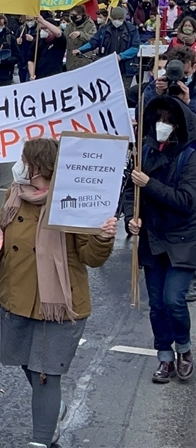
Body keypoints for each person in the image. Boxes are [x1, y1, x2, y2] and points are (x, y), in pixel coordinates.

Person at [0, 138, 117, 448]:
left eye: (23, 160)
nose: (19, 165)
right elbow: (0, 238)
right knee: (28, 364)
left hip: (60, 305)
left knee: (45, 375)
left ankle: (40, 440)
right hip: (16, 297)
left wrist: (103, 237)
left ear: (37, 166)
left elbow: (91, 257)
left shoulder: (72, 200)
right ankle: (54, 408)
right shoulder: (14, 194)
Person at [124, 96, 196, 384]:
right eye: (159, 120)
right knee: (157, 305)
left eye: (168, 121)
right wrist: (132, 218)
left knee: (174, 300)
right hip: (152, 239)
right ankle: (164, 358)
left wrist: (149, 184)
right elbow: (130, 191)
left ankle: (185, 349)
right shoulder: (144, 152)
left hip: (181, 241)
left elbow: (186, 200)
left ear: (178, 125)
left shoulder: (189, 158)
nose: (161, 126)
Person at [76, 6, 140, 95]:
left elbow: (135, 48)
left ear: (123, 18)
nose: (117, 21)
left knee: (123, 93)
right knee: (107, 93)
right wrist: (80, 50)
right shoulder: (104, 29)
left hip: (126, 68)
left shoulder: (132, 29)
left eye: (120, 19)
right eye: (115, 18)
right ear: (111, 18)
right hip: (108, 67)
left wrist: (120, 56)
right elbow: (93, 42)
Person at [27, 14, 66, 79]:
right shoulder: (37, 42)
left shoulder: (59, 41)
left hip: (54, 76)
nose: (43, 31)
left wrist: (43, 21)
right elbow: (31, 60)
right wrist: (32, 74)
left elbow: (58, 33)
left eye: (45, 28)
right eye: (41, 28)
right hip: (39, 76)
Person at [65, 5, 97, 71]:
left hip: (84, 61)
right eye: (70, 14)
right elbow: (64, 38)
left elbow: (93, 39)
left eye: (74, 14)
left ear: (81, 15)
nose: (72, 16)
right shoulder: (70, 25)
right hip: (71, 61)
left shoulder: (90, 24)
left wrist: (80, 34)